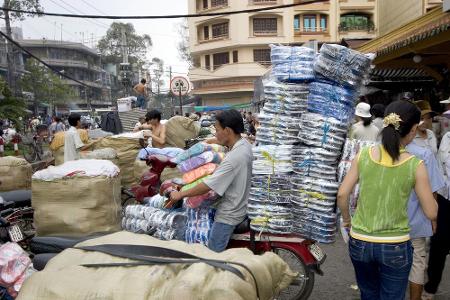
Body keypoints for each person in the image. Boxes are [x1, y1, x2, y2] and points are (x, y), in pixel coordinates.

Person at [337, 100, 438, 300]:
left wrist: (348, 221)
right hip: (395, 245)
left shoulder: (363, 155)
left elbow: (342, 194)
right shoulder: (415, 164)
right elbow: (431, 212)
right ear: (414, 129)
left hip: (360, 242)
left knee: (368, 294)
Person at [167, 109, 253, 252]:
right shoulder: (245, 146)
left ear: (227, 130)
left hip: (230, 214)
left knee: (212, 256)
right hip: (243, 205)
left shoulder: (233, 158)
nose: (216, 133)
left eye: (217, 130)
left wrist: (181, 194)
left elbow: (208, 185)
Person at [405, 143, 445, 300]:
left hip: (386, 223)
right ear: (413, 128)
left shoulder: (377, 148)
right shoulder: (423, 154)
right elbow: (432, 190)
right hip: (416, 220)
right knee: (417, 265)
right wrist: (434, 218)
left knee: (390, 267)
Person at [423, 130, 450, 299]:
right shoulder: (447, 137)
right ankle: (431, 287)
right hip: (446, 200)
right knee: (439, 245)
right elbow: (440, 168)